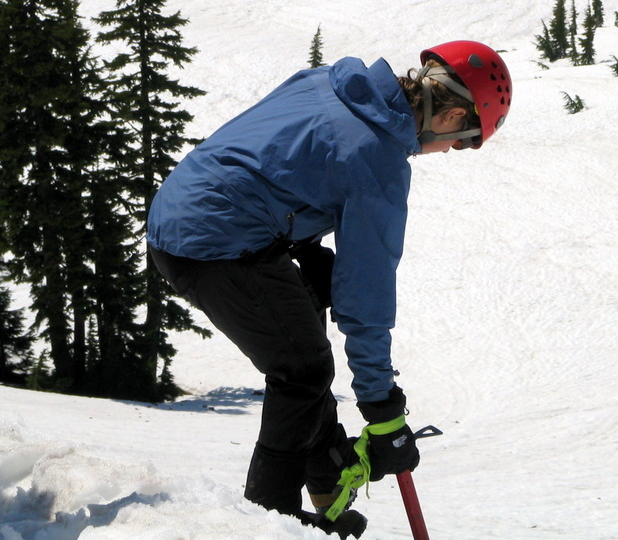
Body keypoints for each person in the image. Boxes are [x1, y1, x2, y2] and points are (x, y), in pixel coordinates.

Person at [146, 40, 512, 538]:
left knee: (304, 342)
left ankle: (326, 482)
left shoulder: (329, 82)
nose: (451, 151)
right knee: (302, 369)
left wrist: (307, 244)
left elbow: (276, 153)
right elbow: (368, 294)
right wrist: (380, 406)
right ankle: (264, 519)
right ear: (449, 116)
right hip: (215, 244)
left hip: (184, 214)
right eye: (463, 141)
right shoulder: (379, 159)